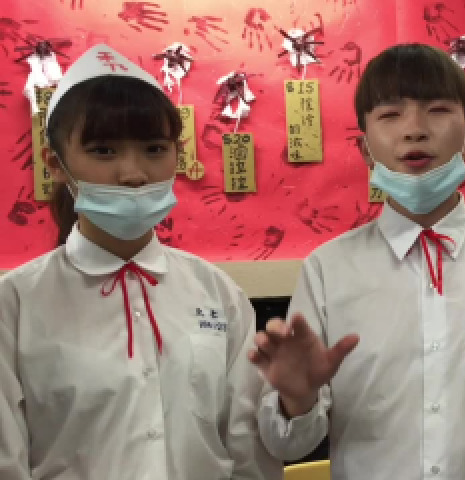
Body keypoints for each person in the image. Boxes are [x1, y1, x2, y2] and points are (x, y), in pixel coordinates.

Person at [250, 43, 465, 479]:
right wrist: (297, 401)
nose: (415, 130)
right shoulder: (328, 270)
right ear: (365, 150)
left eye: (437, 110)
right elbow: (286, 443)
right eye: (390, 115)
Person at [0, 44, 281, 479]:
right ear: (55, 163)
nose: (133, 174)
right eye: (104, 151)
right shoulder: (15, 303)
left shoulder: (218, 294)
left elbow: (248, 452)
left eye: (153, 149)